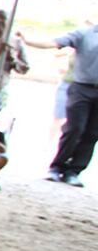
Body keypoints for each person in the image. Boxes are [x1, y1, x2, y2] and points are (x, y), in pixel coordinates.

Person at [18, 20, 98, 187]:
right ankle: (56, 166)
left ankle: (74, 171)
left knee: (92, 133)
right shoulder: (84, 34)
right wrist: (28, 40)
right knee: (75, 128)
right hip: (82, 86)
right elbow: (54, 43)